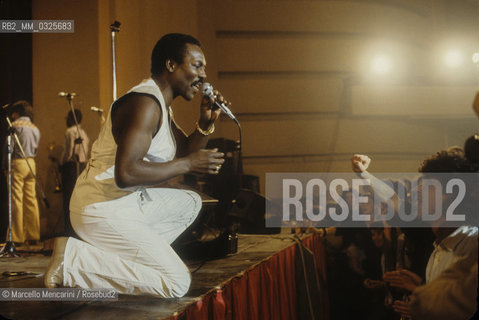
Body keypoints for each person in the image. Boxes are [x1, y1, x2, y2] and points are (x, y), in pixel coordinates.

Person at [44, 33, 225, 297]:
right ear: (171, 65)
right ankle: (73, 261)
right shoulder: (144, 103)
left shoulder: (161, 105)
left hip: (127, 203)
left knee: (190, 202)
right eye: (197, 65)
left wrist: (206, 123)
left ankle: (119, 260)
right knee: (176, 283)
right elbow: (126, 173)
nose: (203, 75)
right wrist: (188, 165)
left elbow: (184, 151)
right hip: (99, 208)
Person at [4, 101, 41, 244]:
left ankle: (17, 237)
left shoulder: (15, 126)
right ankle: (33, 235)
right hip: (31, 162)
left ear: (17, 113)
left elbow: (9, 148)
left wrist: (5, 166)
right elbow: (36, 148)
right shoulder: (35, 128)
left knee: (16, 200)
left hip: (17, 163)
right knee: (31, 199)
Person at [61, 109, 89, 236]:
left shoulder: (70, 131)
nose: (65, 119)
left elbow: (69, 150)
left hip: (71, 166)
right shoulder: (84, 133)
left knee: (69, 198)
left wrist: (62, 162)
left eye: (67, 117)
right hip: (82, 166)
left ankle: (69, 230)